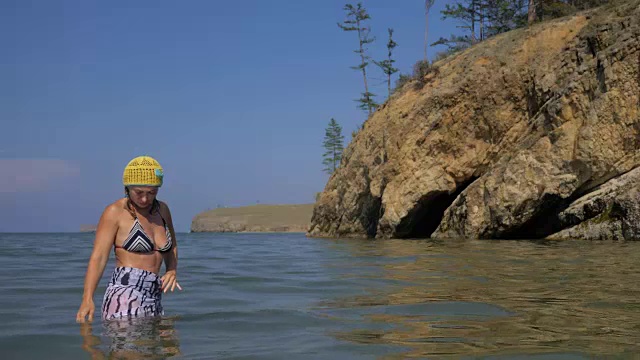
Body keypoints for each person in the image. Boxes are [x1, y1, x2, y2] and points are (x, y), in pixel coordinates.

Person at [76, 155, 181, 323]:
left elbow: (172, 245)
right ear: (127, 187)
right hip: (125, 292)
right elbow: (99, 257)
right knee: (131, 348)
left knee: (165, 347)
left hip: (154, 293)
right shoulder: (114, 212)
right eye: (139, 192)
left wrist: (171, 270)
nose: (145, 199)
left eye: (151, 192)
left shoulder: (163, 210)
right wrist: (87, 298)